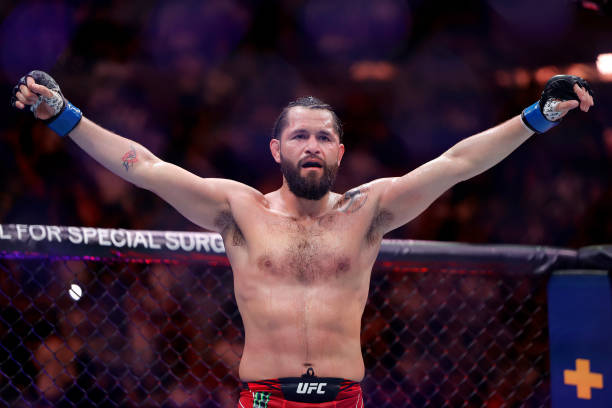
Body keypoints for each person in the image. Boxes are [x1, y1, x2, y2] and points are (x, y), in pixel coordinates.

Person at [11, 71, 594, 407]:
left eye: (323, 136)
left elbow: (458, 161)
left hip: (344, 400)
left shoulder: (371, 209)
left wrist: (536, 115)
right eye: (299, 136)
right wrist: (66, 116)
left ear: (340, 151)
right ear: (277, 150)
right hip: (264, 398)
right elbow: (142, 164)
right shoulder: (237, 209)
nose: (311, 145)